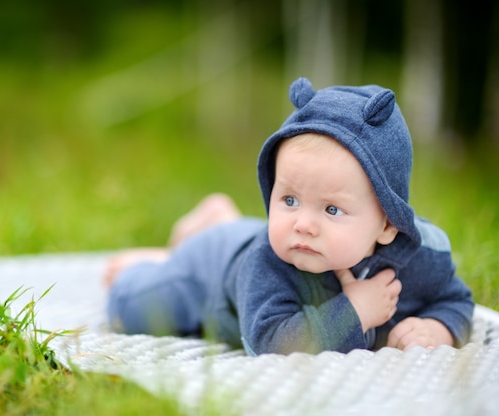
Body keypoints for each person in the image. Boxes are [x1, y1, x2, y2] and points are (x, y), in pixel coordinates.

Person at [104, 77, 474, 355]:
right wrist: (355, 311)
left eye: (331, 209)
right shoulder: (266, 261)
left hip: (240, 238)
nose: (303, 224)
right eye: (290, 200)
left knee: (245, 232)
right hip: (210, 271)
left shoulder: (425, 258)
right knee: (135, 310)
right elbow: (270, 342)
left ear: (388, 224)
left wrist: (437, 328)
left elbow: (457, 301)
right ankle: (161, 261)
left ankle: (222, 217)